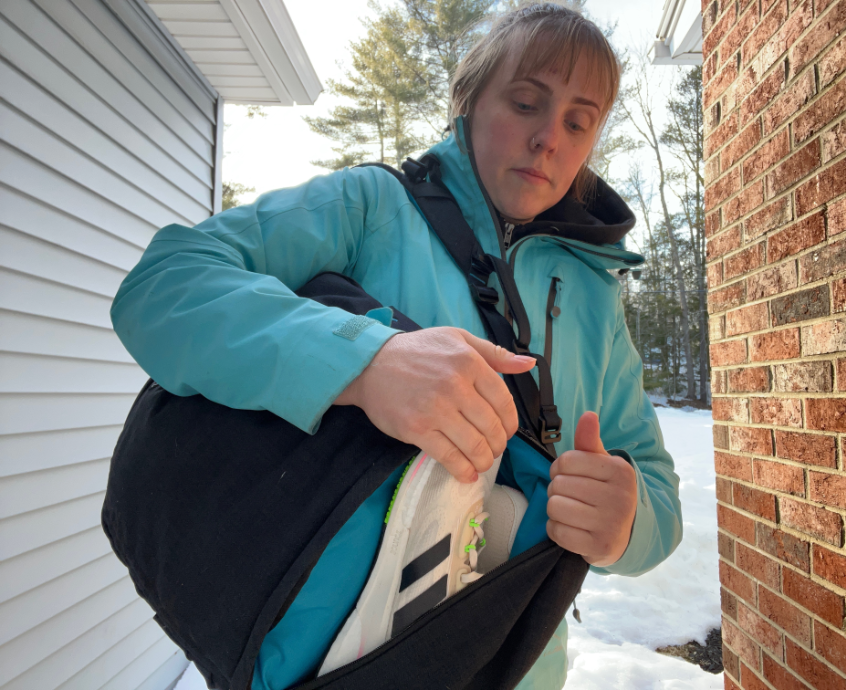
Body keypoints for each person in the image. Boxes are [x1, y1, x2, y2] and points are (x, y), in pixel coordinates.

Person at [110, 4, 682, 689]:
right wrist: (362, 362)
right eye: (526, 102)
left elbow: (655, 489)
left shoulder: (595, 292)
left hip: (513, 666)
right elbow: (163, 284)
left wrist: (626, 522)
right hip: (326, 656)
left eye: (578, 122)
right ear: (468, 102)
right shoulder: (370, 208)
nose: (547, 138)